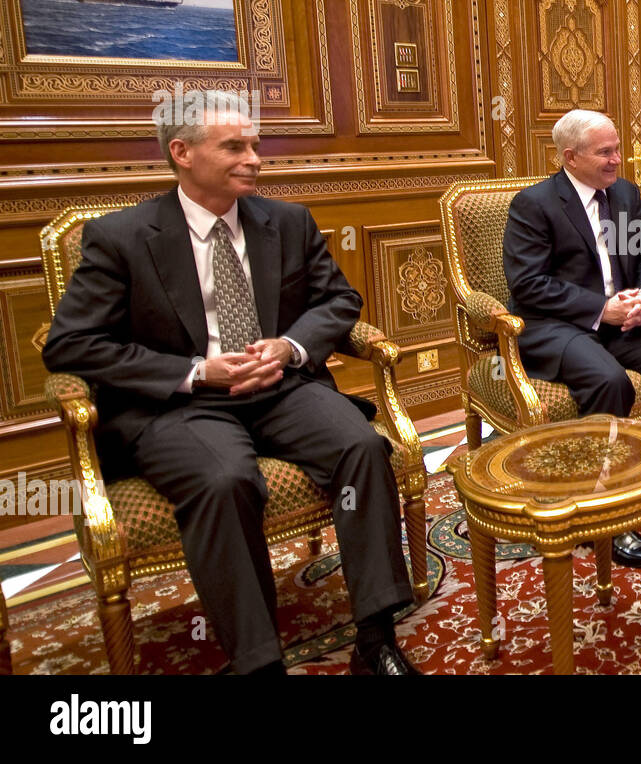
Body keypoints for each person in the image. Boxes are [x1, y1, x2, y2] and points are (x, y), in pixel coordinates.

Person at [42, 94, 419, 674]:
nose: (254, 159)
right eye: (235, 147)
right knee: (224, 480)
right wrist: (195, 371)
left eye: (256, 145)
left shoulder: (286, 222)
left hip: (281, 389)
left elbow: (338, 300)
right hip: (181, 406)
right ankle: (259, 662)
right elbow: (70, 345)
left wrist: (290, 346)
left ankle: (376, 638)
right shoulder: (120, 237)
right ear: (182, 152)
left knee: (363, 448)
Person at [503, 108, 641, 568]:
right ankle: (610, 512)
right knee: (610, 381)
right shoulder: (535, 204)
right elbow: (527, 285)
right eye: (605, 152)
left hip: (622, 319)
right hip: (557, 326)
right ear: (571, 157)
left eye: (617, 149)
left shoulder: (624, 194)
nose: (617, 160)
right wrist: (600, 308)